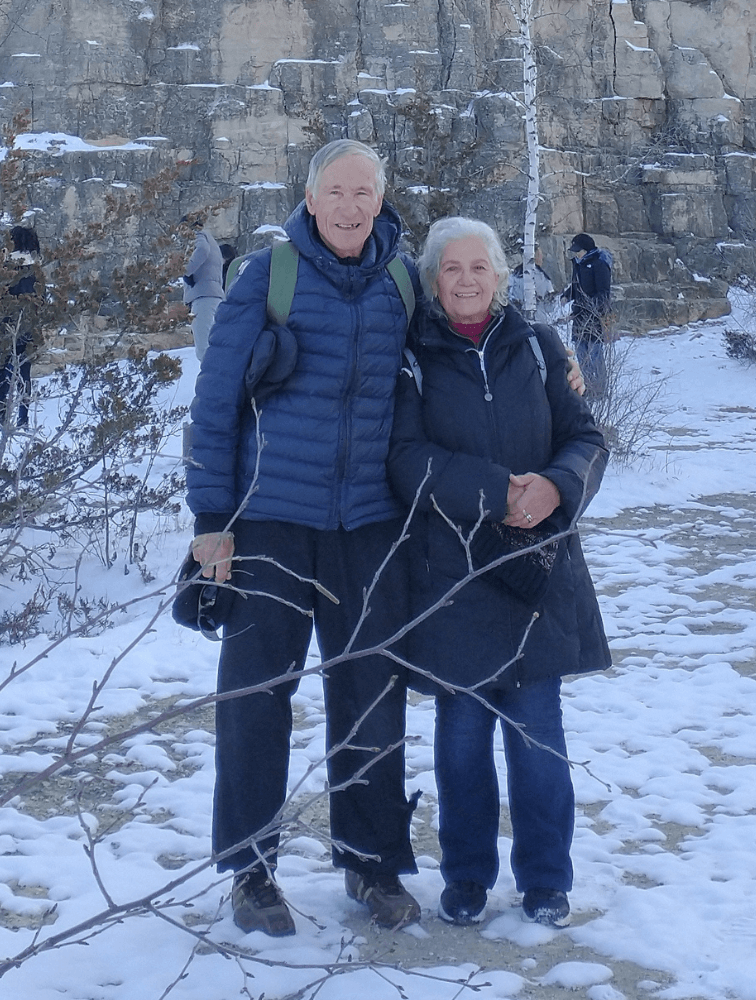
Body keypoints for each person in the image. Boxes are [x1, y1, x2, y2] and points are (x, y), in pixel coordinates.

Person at [186, 139, 421, 937]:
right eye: (336, 191)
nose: (351, 206)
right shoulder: (268, 277)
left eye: (365, 192)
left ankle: (370, 861)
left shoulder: (402, 282)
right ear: (310, 199)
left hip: (367, 528)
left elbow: (467, 342)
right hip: (270, 524)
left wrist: (555, 362)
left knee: (370, 695)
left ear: (381, 201)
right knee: (257, 700)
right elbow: (214, 403)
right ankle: (251, 873)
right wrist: (211, 523)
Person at [388, 217, 610, 929]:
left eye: (478, 267)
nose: (465, 280)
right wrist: (494, 490)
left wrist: (555, 486)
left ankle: (546, 878)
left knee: (538, 734)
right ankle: (466, 877)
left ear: (500, 275)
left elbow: (584, 438)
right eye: (450, 269)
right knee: (460, 740)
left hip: (535, 569)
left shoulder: (540, 346)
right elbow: (405, 458)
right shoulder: (413, 356)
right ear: (432, 280)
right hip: (452, 577)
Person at [561, 233, 613, 399]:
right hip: (579, 317)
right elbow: (576, 286)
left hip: (594, 317)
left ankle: (599, 390)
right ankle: (587, 387)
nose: (576, 254)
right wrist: (567, 295)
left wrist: (589, 309)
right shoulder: (578, 265)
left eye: (579, 250)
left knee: (595, 355)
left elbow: (604, 294)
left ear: (587, 250)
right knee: (581, 354)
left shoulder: (599, 265)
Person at [0, 226, 41, 428]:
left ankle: (1, 416)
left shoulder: (11, 267)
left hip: (8, 327)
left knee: (5, 373)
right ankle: (23, 419)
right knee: (23, 374)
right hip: (28, 327)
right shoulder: (35, 267)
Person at [181, 216, 224, 362]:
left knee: (204, 349)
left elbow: (202, 250)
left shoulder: (198, 236)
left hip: (203, 297)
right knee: (218, 345)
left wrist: (186, 269)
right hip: (215, 296)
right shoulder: (211, 240)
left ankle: (212, 382)